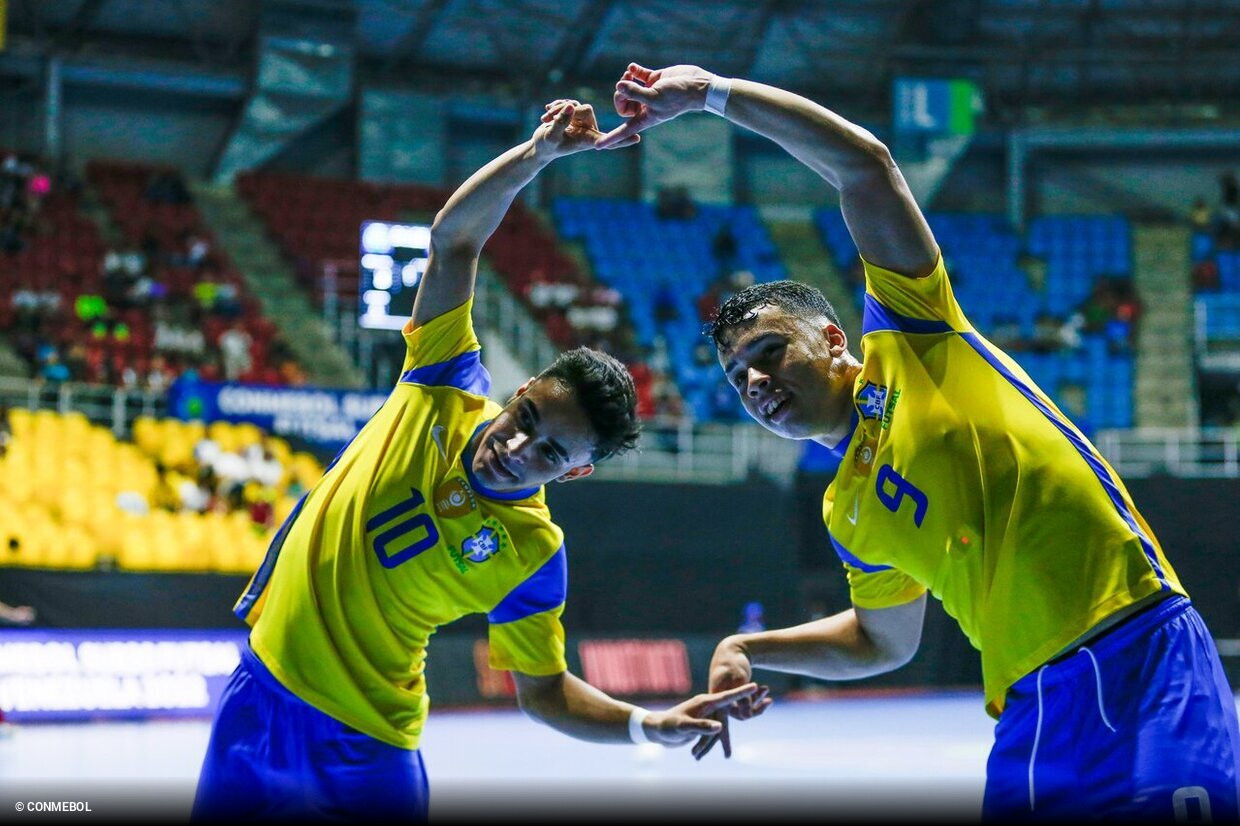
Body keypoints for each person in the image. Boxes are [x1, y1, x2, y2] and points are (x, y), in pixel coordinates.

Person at [600, 63, 1240, 820]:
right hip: (1034, 713)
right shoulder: (846, 511)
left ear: (835, 340)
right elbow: (882, 643)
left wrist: (710, 93)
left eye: (769, 353)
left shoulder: (915, 336)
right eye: (739, 379)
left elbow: (863, 165)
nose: (756, 382)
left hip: (1142, 657)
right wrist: (753, 648)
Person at [192, 98, 764, 822]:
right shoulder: (440, 386)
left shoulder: (531, 550)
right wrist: (538, 156)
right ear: (519, 390)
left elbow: (545, 691)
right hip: (257, 696)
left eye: (549, 453)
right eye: (525, 419)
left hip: (365, 753)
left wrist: (646, 725)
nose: (516, 449)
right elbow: (454, 239)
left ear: (574, 473)